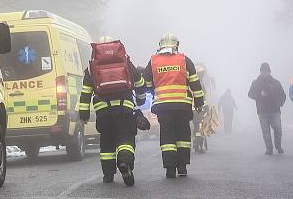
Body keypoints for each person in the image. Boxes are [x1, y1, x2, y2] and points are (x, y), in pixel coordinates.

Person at [79, 36, 147, 186]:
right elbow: (139, 82)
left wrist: (83, 114)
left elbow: (85, 92)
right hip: (125, 109)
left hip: (103, 112)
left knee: (107, 142)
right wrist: (141, 99)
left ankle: (108, 175)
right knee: (126, 138)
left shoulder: (91, 67)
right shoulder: (126, 62)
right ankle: (124, 163)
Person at [142, 32, 205, 179]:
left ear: (160, 45)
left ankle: (170, 169)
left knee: (167, 136)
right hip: (183, 106)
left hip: (163, 106)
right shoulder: (185, 60)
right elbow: (195, 84)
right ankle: (182, 167)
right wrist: (199, 103)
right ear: (176, 45)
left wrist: (154, 89)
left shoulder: (153, 61)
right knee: (183, 135)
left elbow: (146, 82)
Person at [247, 62, 286, 155]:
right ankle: (269, 149)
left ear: (269, 72)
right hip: (262, 111)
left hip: (275, 110)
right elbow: (250, 94)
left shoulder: (276, 82)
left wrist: (280, 103)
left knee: (278, 129)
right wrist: (260, 95)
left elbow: (283, 95)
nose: (265, 73)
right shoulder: (255, 83)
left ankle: (278, 145)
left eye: (266, 71)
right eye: (263, 71)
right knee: (265, 131)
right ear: (260, 72)